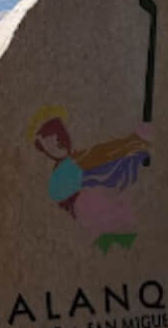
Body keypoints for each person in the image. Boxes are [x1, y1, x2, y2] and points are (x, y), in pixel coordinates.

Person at [29, 104, 151, 253]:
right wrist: (135, 139)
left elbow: (98, 155)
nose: (58, 141)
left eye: (60, 133)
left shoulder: (75, 162)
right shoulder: (64, 173)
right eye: (49, 139)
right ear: (42, 148)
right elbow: (99, 154)